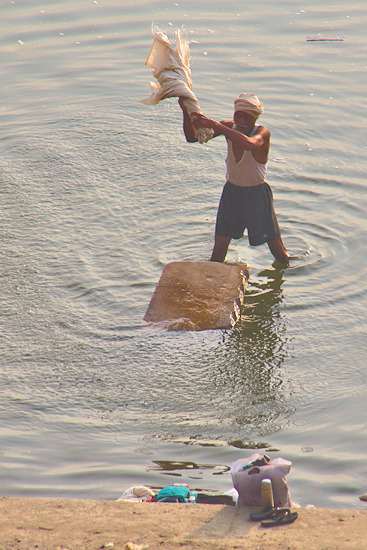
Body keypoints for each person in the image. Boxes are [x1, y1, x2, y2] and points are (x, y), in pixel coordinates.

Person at [178, 93, 289, 266]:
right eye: (239, 116)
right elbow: (192, 138)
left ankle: (287, 276)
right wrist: (186, 110)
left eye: (248, 118)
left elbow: (250, 144)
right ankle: (212, 281)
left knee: (278, 251)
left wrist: (217, 126)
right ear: (234, 115)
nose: (242, 122)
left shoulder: (262, 132)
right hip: (232, 193)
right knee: (218, 251)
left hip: (257, 196)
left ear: (255, 119)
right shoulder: (228, 128)